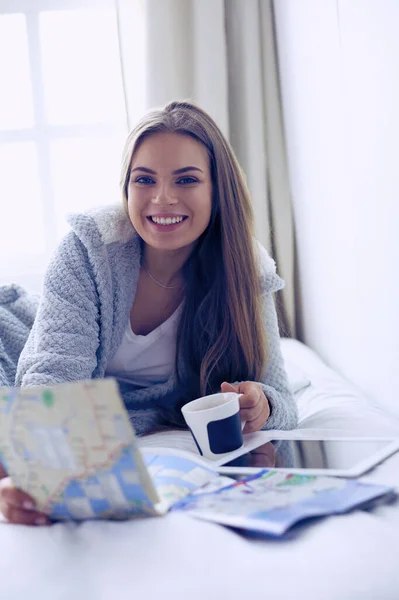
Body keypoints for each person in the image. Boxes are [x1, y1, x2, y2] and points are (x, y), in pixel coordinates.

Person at [0, 100, 297, 525]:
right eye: (144, 179)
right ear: (126, 187)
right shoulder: (89, 252)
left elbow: (280, 397)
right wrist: (39, 467)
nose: (162, 198)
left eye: (186, 179)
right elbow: (52, 379)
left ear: (217, 190)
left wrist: (262, 404)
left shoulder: (245, 269)